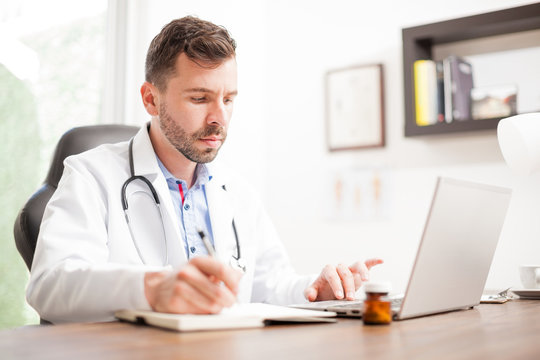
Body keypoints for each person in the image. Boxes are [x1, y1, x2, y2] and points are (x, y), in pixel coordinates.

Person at [26, 16, 383, 323]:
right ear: (151, 98)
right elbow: (50, 285)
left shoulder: (237, 191)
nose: (219, 118)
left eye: (228, 100)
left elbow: (267, 285)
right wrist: (151, 288)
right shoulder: (91, 175)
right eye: (200, 99)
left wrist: (313, 291)